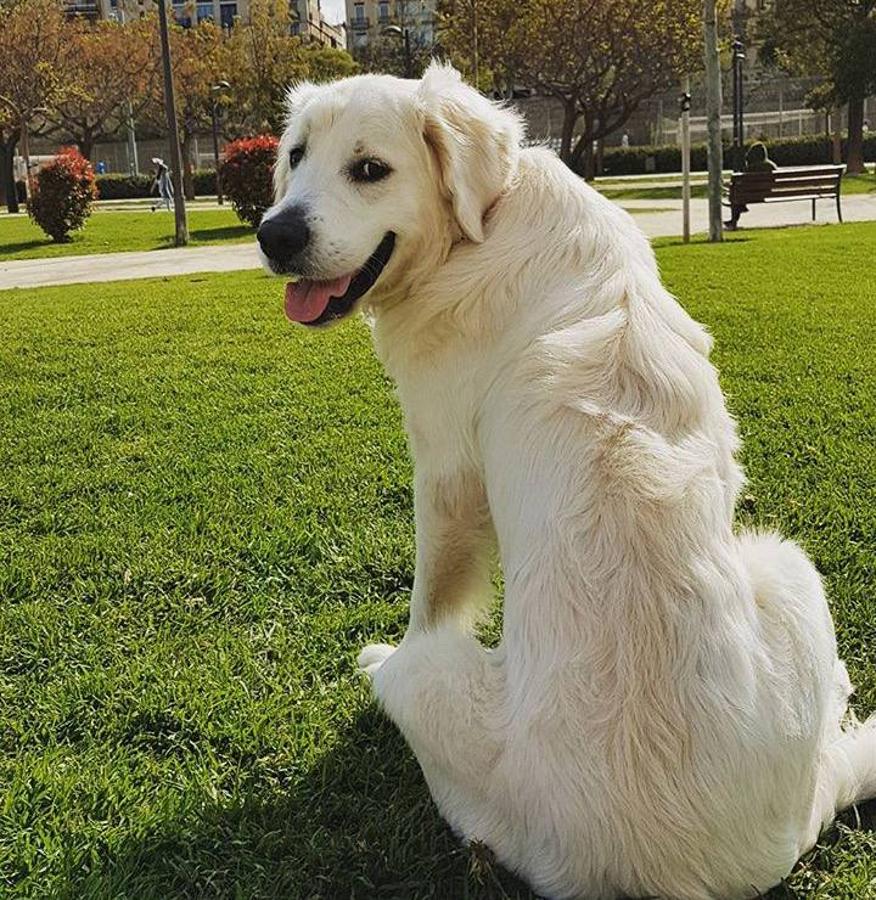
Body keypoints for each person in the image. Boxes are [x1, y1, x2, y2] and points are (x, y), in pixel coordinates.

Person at [725, 141, 777, 231]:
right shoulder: (771, 166)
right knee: (738, 195)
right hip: (767, 193)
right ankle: (740, 208)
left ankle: (734, 220)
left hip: (750, 196)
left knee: (736, 195)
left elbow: (742, 182)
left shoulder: (751, 168)